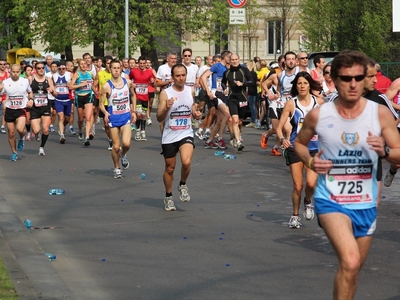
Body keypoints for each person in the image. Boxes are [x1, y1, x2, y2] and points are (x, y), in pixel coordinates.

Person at [294, 50, 400, 299]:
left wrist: (383, 151)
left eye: (358, 77)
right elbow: (299, 143)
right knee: (350, 261)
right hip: (330, 200)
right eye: (345, 78)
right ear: (334, 80)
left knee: (352, 270)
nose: (352, 84)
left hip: (365, 202)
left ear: (364, 78)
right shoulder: (320, 114)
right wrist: (310, 160)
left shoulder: (380, 114)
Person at [276, 72, 324, 228]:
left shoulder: (320, 102)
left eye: (305, 83)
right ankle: (295, 215)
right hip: (296, 147)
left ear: (310, 84)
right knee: (298, 186)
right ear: (296, 86)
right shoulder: (291, 103)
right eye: (299, 83)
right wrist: (283, 139)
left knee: (311, 184)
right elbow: (279, 126)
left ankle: (308, 201)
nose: (302, 86)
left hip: (314, 148)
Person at [156, 63, 202, 211]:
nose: (181, 78)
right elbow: (159, 117)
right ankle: (168, 196)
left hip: (185, 133)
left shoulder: (190, 90)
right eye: (178, 76)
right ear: (172, 77)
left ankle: (182, 184)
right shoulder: (166, 93)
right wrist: (166, 107)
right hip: (169, 135)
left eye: (183, 75)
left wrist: (195, 113)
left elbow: (192, 106)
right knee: (170, 168)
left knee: (186, 162)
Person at [100, 59, 136, 179]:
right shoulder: (106, 86)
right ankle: (116, 168)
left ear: (121, 69)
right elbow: (100, 104)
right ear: (110, 69)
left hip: (125, 116)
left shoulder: (128, 82)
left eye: (118, 68)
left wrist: (134, 111)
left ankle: (123, 154)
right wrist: (105, 113)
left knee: (126, 144)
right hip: (113, 118)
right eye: (113, 68)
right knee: (116, 146)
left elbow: (134, 95)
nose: (116, 70)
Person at [0, 64, 33, 161]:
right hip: (10, 109)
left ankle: (21, 138)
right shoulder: (5, 82)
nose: (15, 74)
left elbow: (30, 92)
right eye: (13, 72)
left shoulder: (25, 81)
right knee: (11, 133)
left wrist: (30, 99)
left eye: (17, 72)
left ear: (20, 72)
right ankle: (14, 152)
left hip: (21, 108)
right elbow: (1, 94)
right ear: (10, 71)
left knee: (20, 129)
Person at [221, 54, 253, 151]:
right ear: (230, 61)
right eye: (232, 60)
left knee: (240, 121)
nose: (234, 61)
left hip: (242, 98)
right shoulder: (227, 72)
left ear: (239, 60)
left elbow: (252, 81)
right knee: (234, 120)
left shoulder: (244, 70)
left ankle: (238, 134)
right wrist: (224, 88)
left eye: (236, 59)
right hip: (232, 98)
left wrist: (243, 84)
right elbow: (223, 82)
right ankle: (238, 142)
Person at [29, 61, 58, 155]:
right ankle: (37, 134)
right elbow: (26, 92)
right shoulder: (31, 79)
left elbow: (56, 94)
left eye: (43, 68)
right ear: (35, 70)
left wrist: (52, 91)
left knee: (45, 129)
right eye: (39, 68)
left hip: (45, 106)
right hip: (34, 107)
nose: (41, 70)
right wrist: (30, 98)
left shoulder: (48, 79)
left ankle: (41, 147)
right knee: (36, 130)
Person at [129, 56, 155, 141]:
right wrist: (132, 84)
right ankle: (137, 131)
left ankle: (143, 131)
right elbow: (129, 79)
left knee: (143, 115)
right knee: (139, 114)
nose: (142, 65)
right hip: (137, 96)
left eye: (144, 63)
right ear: (138, 63)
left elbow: (153, 81)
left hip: (145, 96)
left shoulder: (149, 72)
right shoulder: (133, 71)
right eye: (141, 63)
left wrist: (153, 82)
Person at [70, 58, 95, 146]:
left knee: (88, 118)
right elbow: (71, 86)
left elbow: (95, 82)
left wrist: (96, 91)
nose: (84, 65)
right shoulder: (77, 74)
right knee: (81, 118)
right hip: (79, 97)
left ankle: (87, 137)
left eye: (85, 64)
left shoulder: (90, 74)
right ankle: (80, 130)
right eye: (82, 64)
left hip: (88, 96)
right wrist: (81, 85)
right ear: (79, 66)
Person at [53, 61, 72, 144]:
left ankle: (63, 127)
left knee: (67, 119)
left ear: (65, 68)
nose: (61, 70)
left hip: (68, 99)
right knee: (61, 117)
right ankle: (62, 136)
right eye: (59, 69)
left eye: (63, 69)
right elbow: (51, 86)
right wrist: (53, 91)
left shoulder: (69, 75)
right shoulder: (54, 76)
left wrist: (70, 85)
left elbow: (74, 84)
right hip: (58, 100)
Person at [0, 58, 10, 134]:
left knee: (5, 110)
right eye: (1, 64)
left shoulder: (8, 74)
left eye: (4, 64)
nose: (3, 66)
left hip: (4, 95)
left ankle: (3, 126)